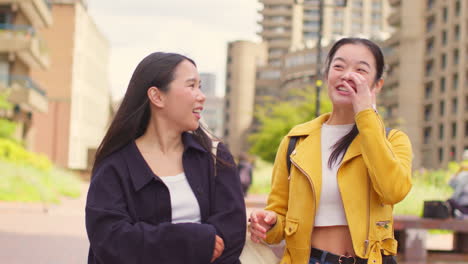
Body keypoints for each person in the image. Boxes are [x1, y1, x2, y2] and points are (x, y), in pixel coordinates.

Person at [249, 38, 413, 264]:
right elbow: (279, 217)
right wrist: (269, 222)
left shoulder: (392, 140)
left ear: (377, 85)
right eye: (338, 66)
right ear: (327, 76)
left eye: (360, 70)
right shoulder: (296, 140)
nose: (347, 75)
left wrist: (365, 115)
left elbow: (392, 191)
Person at [85, 52, 246, 264]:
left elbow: (232, 234)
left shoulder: (215, 157)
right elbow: (110, 240)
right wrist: (193, 240)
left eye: (200, 86)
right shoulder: (115, 165)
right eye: (191, 86)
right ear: (157, 96)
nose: (201, 96)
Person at [447, 149, 468, 217]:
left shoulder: (464, 175)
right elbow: (451, 184)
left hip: (464, 206)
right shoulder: (462, 174)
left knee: (450, 201)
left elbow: (457, 192)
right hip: (464, 205)